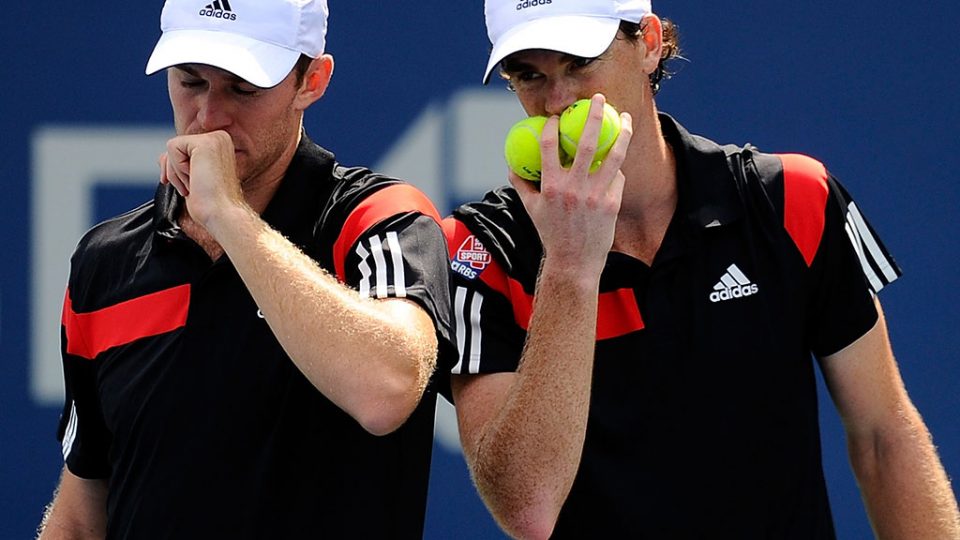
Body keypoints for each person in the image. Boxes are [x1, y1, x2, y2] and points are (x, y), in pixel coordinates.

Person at [443, 0, 960, 538]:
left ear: (647, 44)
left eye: (579, 64)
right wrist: (571, 266)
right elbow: (528, 509)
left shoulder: (793, 201)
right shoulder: (480, 253)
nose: (556, 102)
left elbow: (885, 437)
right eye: (529, 75)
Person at [37, 0, 455, 537]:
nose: (210, 118)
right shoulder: (106, 261)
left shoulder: (378, 219)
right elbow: (81, 510)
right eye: (190, 83)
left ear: (313, 80)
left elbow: (388, 390)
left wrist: (230, 217)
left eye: (243, 89)